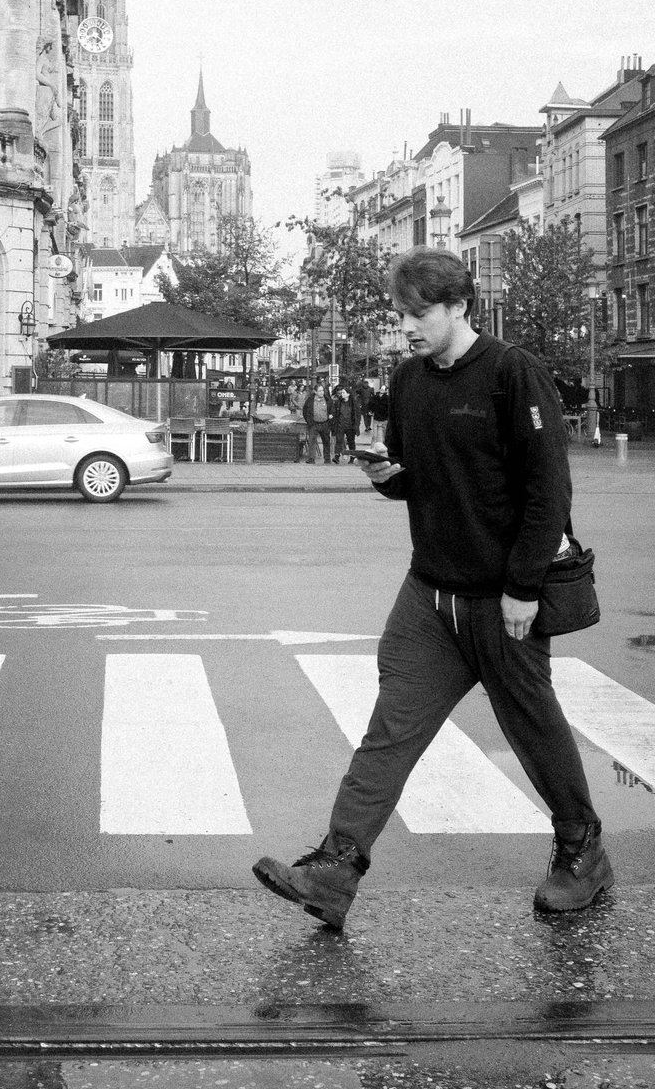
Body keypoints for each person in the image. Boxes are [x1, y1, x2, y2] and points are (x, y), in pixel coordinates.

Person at [253, 245, 611, 928]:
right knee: (390, 730)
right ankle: (335, 869)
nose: (407, 326)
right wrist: (390, 479)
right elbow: (421, 475)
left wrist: (524, 587)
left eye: (419, 313)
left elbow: (548, 490)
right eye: (400, 313)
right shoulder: (411, 382)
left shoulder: (512, 374)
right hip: (429, 596)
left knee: (534, 730)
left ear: (459, 307)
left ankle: (581, 852)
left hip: (501, 598)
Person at [301, 382, 332, 463]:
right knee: (312, 441)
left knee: (326, 442)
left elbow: (332, 409)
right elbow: (305, 411)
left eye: (323, 390)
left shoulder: (328, 399)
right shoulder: (310, 400)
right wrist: (309, 422)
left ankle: (327, 459)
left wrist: (330, 417)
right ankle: (311, 459)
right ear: (315, 392)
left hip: (325, 424)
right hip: (314, 424)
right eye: (320, 391)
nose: (322, 392)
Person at [330, 384, 359, 463]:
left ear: (348, 394)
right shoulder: (338, 402)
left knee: (351, 441)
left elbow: (357, 415)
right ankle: (337, 456)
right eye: (341, 392)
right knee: (339, 441)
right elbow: (335, 412)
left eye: (343, 392)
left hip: (350, 426)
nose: (341, 394)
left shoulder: (353, 403)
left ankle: (352, 457)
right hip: (340, 425)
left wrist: (356, 425)